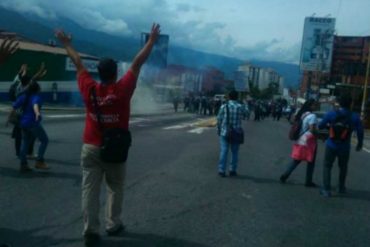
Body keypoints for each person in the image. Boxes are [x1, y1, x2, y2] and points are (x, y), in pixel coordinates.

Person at [56, 23, 161, 247]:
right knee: (115, 187)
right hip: (115, 149)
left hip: (91, 147)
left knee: (89, 190)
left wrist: (67, 44)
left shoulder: (89, 88)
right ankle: (113, 224)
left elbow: (77, 62)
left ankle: (90, 231)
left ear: (99, 73)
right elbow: (137, 63)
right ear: (116, 73)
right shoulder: (123, 90)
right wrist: (151, 41)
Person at [318, 94, 364, 197]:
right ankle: (341, 187)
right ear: (351, 104)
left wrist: (329, 126)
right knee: (343, 167)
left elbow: (320, 126)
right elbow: (360, 131)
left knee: (327, 165)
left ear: (340, 103)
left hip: (331, 144)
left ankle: (326, 189)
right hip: (345, 146)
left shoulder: (332, 114)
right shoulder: (354, 116)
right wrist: (359, 144)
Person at [8, 63, 49, 172]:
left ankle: (23, 164)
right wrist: (37, 113)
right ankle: (39, 161)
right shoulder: (35, 96)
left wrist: (8, 119)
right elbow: (35, 105)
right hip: (32, 122)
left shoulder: (23, 94)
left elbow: (13, 107)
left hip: (22, 121)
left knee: (25, 141)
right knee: (44, 140)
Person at [280, 99, 318, 187]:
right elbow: (312, 130)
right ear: (311, 106)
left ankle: (285, 175)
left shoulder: (302, 114)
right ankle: (308, 181)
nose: (316, 107)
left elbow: (293, 122)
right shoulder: (312, 116)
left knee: (296, 160)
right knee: (311, 161)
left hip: (300, 140)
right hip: (309, 141)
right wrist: (318, 134)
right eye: (314, 105)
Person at [8, 64, 36, 158]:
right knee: (30, 133)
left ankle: (20, 152)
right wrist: (23, 70)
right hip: (22, 113)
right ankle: (27, 153)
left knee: (19, 134)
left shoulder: (16, 81)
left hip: (18, 112)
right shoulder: (22, 85)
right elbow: (24, 77)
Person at [217, 90, 244, 177]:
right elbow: (247, 113)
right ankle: (232, 170)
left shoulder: (224, 106)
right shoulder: (240, 106)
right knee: (235, 152)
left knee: (224, 151)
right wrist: (245, 102)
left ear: (229, 97)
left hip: (225, 131)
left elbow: (219, 119)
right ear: (237, 97)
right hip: (236, 132)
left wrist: (219, 129)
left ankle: (222, 170)